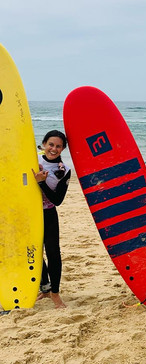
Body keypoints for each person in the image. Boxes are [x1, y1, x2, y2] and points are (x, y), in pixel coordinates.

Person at [33, 130, 71, 309]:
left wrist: (41, 182)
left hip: (48, 214)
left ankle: (55, 293)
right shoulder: (32, 159)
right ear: (44, 144)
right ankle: (45, 288)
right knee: (34, 252)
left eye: (58, 146)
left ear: (63, 148)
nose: (54, 149)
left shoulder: (64, 171)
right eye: (51, 144)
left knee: (53, 253)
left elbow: (57, 200)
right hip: (29, 213)